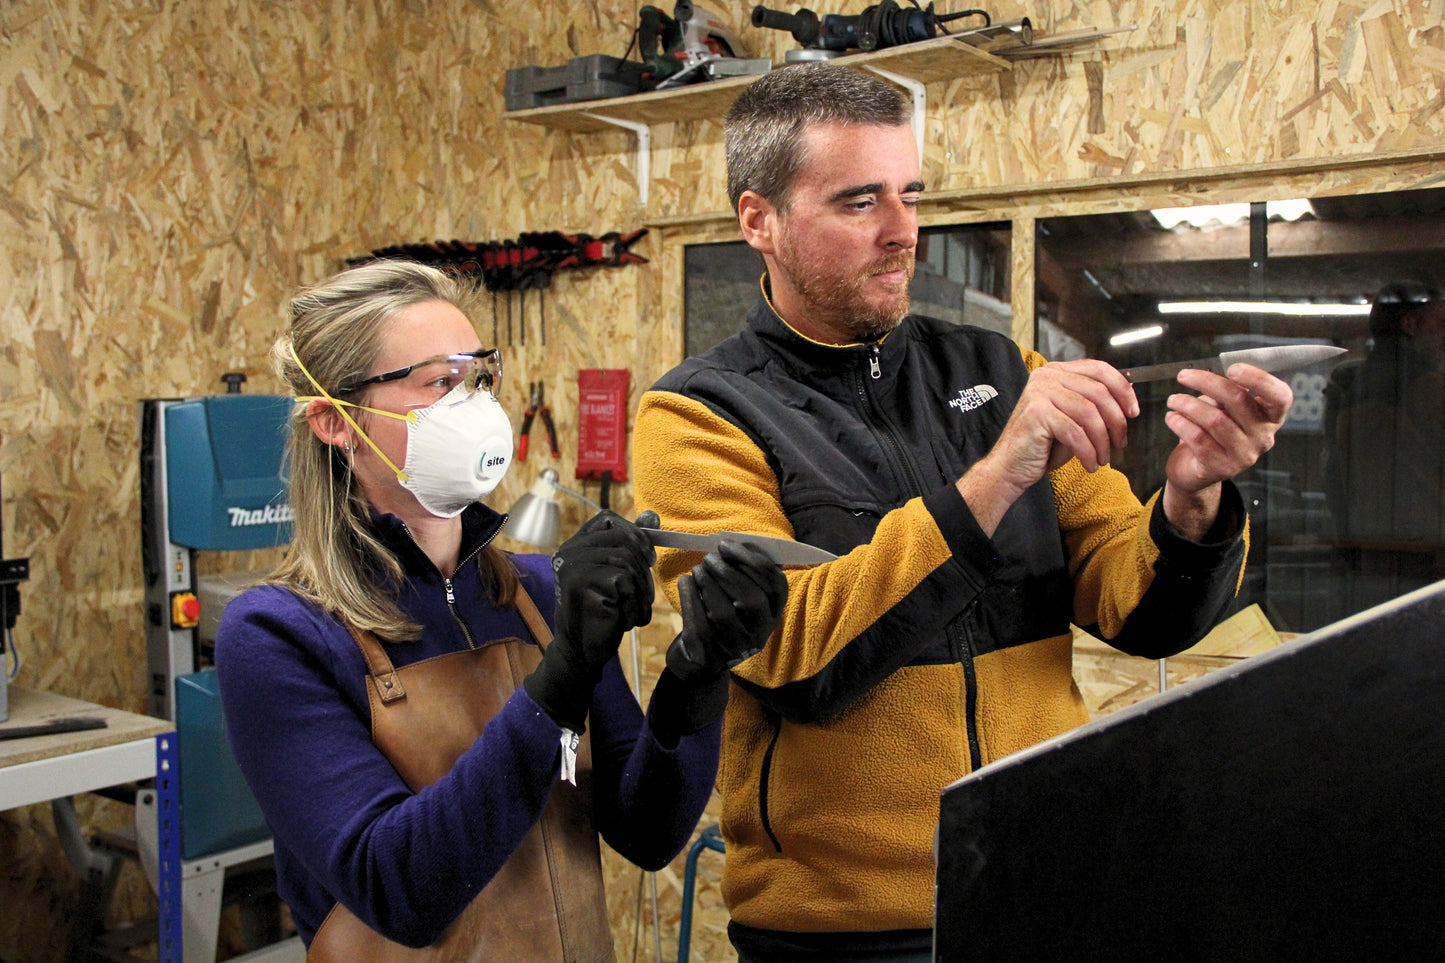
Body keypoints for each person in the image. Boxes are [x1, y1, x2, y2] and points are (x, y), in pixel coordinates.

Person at [632, 63, 1293, 963]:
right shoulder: (699, 416)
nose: (904, 234)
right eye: (860, 202)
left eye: (910, 195)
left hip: (1042, 885)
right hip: (848, 934)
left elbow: (1143, 614)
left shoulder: (1002, 369)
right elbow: (790, 658)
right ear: (760, 221)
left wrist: (1191, 496)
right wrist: (996, 476)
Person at [214, 260, 787, 957]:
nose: (474, 403)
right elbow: (400, 887)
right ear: (336, 422)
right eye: (438, 381)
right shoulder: (279, 635)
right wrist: (562, 676)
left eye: (479, 377)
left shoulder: (538, 596)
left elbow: (647, 832)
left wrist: (695, 676)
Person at [1323, 280, 1445, 608]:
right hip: (1427, 567)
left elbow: (1334, 481)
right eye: (1441, 323)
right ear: (1410, 325)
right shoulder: (1428, 390)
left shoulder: (1351, 390)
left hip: (1368, 562)